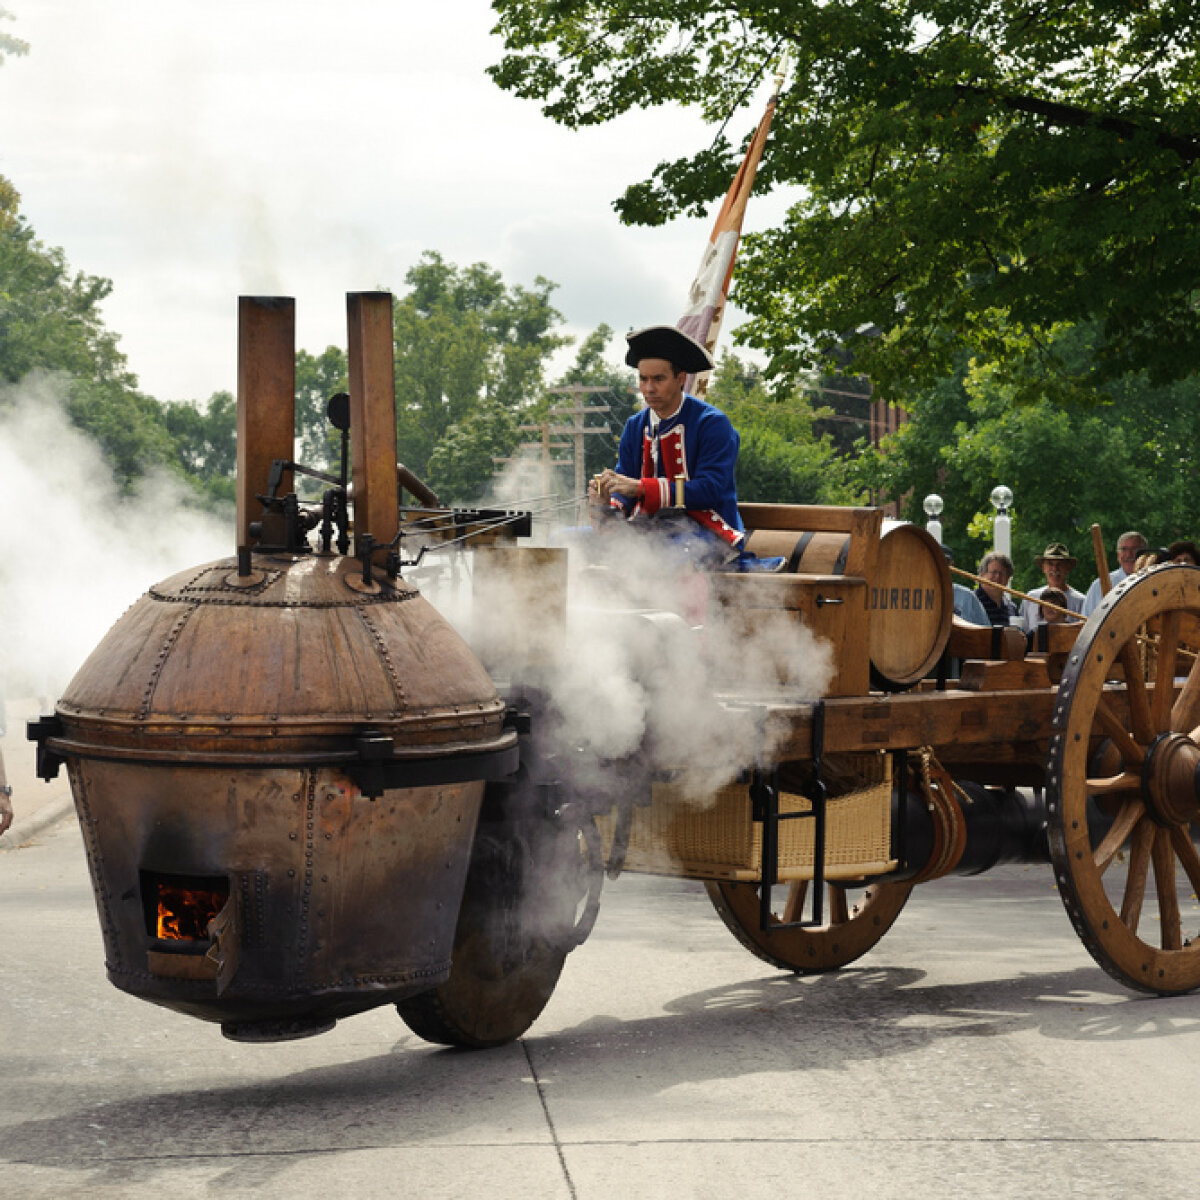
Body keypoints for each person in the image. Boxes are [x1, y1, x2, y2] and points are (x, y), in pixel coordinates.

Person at [589, 325, 744, 562]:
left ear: (681, 379)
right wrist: (606, 500)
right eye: (643, 379)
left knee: (663, 560)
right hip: (645, 532)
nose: (649, 388)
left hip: (705, 533)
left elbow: (709, 491)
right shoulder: (634, 426)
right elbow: (625, 490)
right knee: (563, 542)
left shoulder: (713, 424)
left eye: (658, 379)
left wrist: (641, 488)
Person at [1021, 542, 1085, 633]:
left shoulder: (1080, 601)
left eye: (1059, 564)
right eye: (1050, 564)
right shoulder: (1031, 598)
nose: (1055, 568)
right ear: (1043, 568)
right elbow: (1022, 633)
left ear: (1068, 567)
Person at [1082, 530, 1149, 615]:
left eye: (1135, 549)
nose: (1129, 554)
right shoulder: (1099, 585)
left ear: (1146, 554)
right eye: (1124, 549)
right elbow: (1086, 622)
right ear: (1118, 555)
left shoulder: (1155, 582)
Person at [975, 552, 1019, 626]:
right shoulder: (972, 602)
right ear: (982, 575)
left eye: (1002, 573)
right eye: (994, 572)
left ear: (1008, 578)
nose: (998, 577)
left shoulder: (1011, 608)